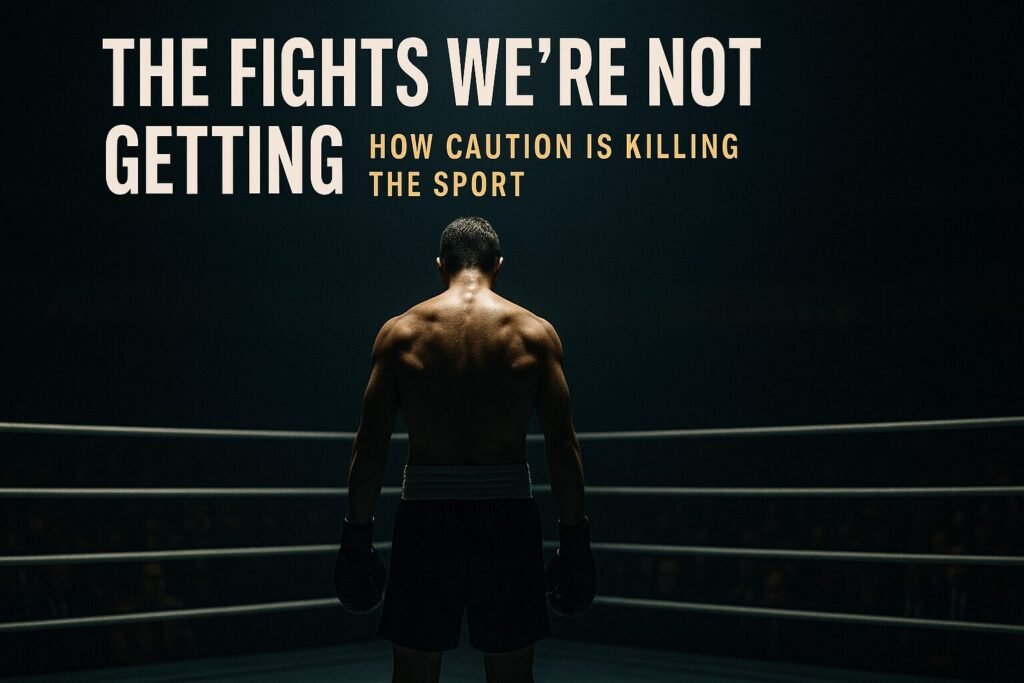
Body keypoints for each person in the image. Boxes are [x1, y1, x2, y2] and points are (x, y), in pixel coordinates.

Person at [334, 216, 595, 682]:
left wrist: (356, 537)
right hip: (507, 518)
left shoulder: (401, 333)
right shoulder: (534, 334)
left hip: (427, 519)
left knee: (413, 674)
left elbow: (370, 447)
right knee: (512, 675)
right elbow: (561, 446)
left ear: (441, 267)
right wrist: (575, 538)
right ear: (499, 266)